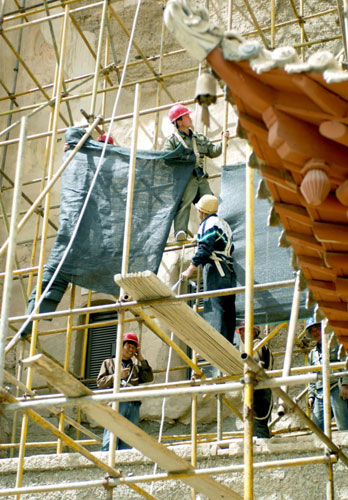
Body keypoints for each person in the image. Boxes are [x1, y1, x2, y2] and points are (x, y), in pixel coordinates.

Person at [163, 103, 230, 241]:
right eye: (186, 116)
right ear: (178, 121)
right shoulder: (173, 141)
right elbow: (167, 159)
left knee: (209, 202)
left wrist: (224, 141)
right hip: (186, 179)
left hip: (200, 178)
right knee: (184, 203)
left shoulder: (199, 138)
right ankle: (180, 230)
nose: (189, 118)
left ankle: (210, 228)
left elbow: (213, 151)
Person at [181, 194, 236, 345]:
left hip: (216, 270)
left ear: (203, 212)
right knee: (228, 309)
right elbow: (226, 245)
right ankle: (229, 342)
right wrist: (198, 238)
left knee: (215, 306)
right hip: (228, 270)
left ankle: (218, 343)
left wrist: (190, 270)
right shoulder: (222, 223)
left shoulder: (208, 223)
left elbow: (205, 249)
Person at [97, 332, 154, 451]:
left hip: (133, 403)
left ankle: (124, 459)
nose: (131, 349)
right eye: (128, 346)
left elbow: (149, 378)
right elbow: (100, 383)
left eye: (134, 348)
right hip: (116, 402)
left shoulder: (135, 367)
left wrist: (141, 359)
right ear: (121, 346)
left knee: (129, 436)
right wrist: (117, 376)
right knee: (112, 431)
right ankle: (107, 457)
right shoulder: (109, 363)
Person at [306, 318, 348, 431]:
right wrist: (311, 395)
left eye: (317, 328)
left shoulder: (337, 345)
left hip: (336, 388)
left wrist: (345, 384)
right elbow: (311, 375)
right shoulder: (312, 354)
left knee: (343, 425)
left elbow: (345, 363)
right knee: (316, 428)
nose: (315, 332)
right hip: (320, 393)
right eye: (312, 330)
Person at [237, 323, 273, 438]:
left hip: (260, 391)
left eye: (246, 331)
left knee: (258, 424)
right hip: (254, 389)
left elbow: (255, 365)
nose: (243, 334)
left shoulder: (257, 344)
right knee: (253, 425)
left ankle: (262, 451)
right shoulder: (247, 346)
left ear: (254, 332)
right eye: (241, 331)